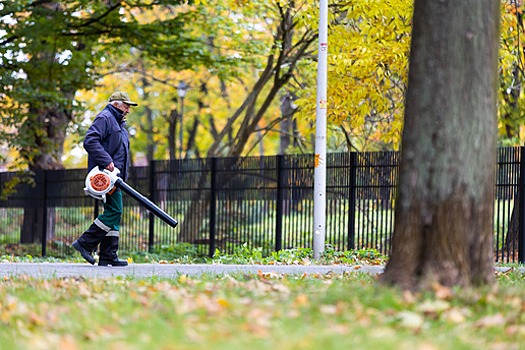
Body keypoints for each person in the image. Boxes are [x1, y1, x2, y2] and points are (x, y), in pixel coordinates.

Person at [72, 91, 138, 267]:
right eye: (126, 106)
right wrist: (106, 161)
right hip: (106, 176)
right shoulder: (105, 118)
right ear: (116, 104)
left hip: (116, 177)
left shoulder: (118, 123)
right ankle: (85, 243)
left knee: (114, 213)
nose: (128, 110)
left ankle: (108, 255)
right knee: (115, 211)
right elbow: (90, 140)